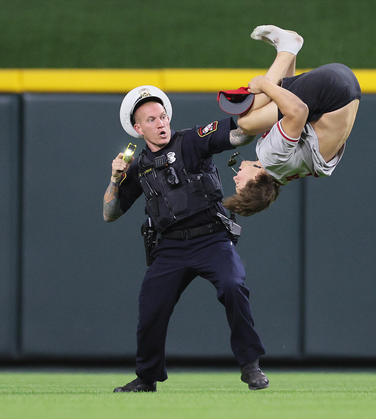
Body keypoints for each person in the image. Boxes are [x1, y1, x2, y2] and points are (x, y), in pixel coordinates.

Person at [103, 85, 269, 392]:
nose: (161, 123)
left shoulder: (191, 140)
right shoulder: (138, 167)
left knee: (233, 286)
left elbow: (238, 135)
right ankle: (147, 377)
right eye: (151, 120)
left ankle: (251, 366)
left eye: (163, 116)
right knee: (151, 306)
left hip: (211, 238)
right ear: (138, 129)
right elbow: (109, 214)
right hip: (170, 247)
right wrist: (115, 179)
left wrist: (257, 117)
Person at [221, 25, 361, 217]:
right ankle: (288, 47)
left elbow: (290, 105)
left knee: (274, 105)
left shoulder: (283, 173)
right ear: (256, 178)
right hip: (333, 89)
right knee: (246, 122)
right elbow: (298, 110)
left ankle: (288, 51)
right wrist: (263, 85)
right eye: (239, 184)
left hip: (348, 89)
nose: (235, 177)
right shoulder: (272, 158)